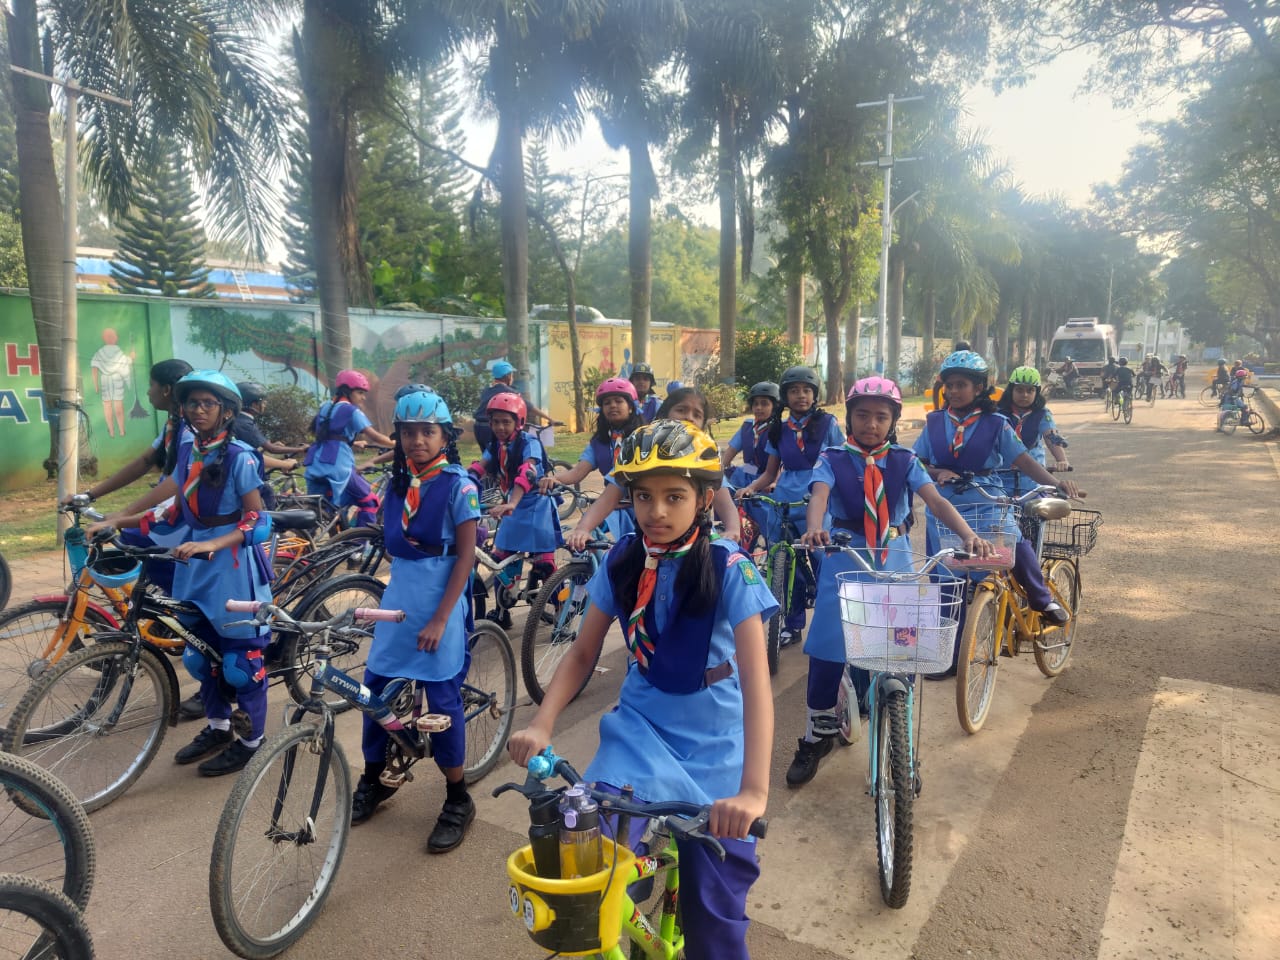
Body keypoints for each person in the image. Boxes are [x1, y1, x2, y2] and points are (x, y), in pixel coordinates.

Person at [507, 419, 776, 960]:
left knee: (715, 916)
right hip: (640, 727)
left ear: (703, 499)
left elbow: (755, 682)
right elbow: (582, 652)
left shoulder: (729, 567)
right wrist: (541, 723)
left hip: (714, 737)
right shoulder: (623, 558)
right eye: (644, 496)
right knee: (588, 866)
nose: (656, 511)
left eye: (674, 496)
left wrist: (753, 791)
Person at [787, 377, 992, 786]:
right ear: (849, 417)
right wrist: (814, 528)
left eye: (881, 416)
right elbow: (820, 496)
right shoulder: (832, 457)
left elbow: (936, 500)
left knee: (903, 647)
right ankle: (816, 734)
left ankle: (903, 743)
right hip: (845, 554)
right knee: (829, 646)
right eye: (862, 415)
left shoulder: (904, 459)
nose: (871, 424)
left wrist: (968, 535)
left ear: (893, 421)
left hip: (895, 555)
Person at [91, 372, 275, 776]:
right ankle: (219, 727)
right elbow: (173, 510)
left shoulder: (241, 456)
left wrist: (213, 544)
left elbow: (258, 521)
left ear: (227, 411)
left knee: (241, 665)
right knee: (199, 656)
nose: (198, 410)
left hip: (232, 569)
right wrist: (119, 522)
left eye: (208, 403)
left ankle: (252, 742)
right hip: (194, 567)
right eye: (192, 403)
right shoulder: (191, 451)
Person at [349, 390, 481, 853]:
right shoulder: (398, 482)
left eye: (428, 431)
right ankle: (374, 777)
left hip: (440, 599)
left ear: (446, 436)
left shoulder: (460, 486)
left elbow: (466, 557)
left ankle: (457, 795)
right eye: (408, 432)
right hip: (400, 597)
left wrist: (442, 619)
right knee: (373, 691)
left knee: (442, 702)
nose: (417, 440)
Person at [912, 351, 1082, 677]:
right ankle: (948, 658)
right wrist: (937, 472)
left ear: (979, 387)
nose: (953, 391)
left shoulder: (996, 424)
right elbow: (916, 462)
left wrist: (1056, 484)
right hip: (944, 510)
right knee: (946, 588)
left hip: (987, 502)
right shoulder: (934, 422)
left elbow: (1024, 460)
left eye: (961, 385)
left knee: (1015, 546)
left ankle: (1041, 598)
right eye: (949, 385)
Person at [735, 366, 843, 647]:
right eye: (794, 391)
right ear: (785, 396)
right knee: (782, 564)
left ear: (815, 395)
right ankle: (791, 625)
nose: (801, 395)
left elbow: (843, 461)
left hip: (818, 500)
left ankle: (830, 620)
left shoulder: (828, 423)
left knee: (823, 561)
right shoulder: (779, 430)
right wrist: (751, 488)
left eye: (807, 390)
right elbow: (770, 473)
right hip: (783, 503)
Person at [470, 392, 563, 614]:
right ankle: (503, 611)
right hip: (513, 505)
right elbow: (479, 467)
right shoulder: (495, 445)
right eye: (495, 422)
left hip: (536, 506)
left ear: (519, 422)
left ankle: (563, 609)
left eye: (506, 422)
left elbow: (528, 472)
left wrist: (511, 503)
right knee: (500, 561)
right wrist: (460, 483)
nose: (500, 427)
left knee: (545, 564)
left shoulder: (530, 443)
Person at [542, 377, 643, 543]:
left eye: (618, 401)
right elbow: (577, 472)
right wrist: (554, 479)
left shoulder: (644, 437)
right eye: (607, 403)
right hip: (611, 507)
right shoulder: (599, 442)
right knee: (588, 537)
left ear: (631, 407)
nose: (612, 406)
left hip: (642, 508)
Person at [303, 369, 395, 528]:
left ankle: (306, 540)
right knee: (370, 502)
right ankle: (359, 542)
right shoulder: (351, 411)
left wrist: (352, 443)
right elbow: (375, 437)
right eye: (360, 392)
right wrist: (396, 444)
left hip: (315, 463)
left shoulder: (326, 407)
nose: (363, 397)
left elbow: (330, 433)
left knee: (320, 509)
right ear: (347, 391)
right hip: (338, 466)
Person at [233, 381, 308, 510]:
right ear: (254, 404)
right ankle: (270, 522)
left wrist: (268, 447)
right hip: (244, 475)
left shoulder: (239, 420)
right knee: (267, 492)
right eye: (263, 401)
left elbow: (255, 448)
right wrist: (300, 449)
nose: (265, 404)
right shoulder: (245, 423)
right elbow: (271, 449)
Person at [722, 382, 780, 539]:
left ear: (775, 406)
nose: (759, 408)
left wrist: (774, 482)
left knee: (768, 524)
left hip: (767, 479)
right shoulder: (747, 427)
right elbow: (730, 452)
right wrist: (719, 470)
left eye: (764, 404)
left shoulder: (779, 429)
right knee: (732, 511)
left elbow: (783, 462)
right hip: (746, 474)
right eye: (755, 404)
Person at [995, 368, 1070, 471]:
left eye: (1030, 391)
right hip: (1001, 473)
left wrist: (1061, 460)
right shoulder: (997, 412)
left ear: (1037, 392)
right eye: (1019, 390)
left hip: (1034, 472)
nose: (1025, 395)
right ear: (1011, 390)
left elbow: (1051, 436)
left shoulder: (1042, 413)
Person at [472, 360, 555, 449]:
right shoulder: (508, 392)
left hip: (478, 427)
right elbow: (529, 406)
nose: (512, 378)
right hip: (493, 427)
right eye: (512, 375)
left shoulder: (486, 390)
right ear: (508, 376)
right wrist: (550, 419)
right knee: (502, 453)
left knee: (488, 454)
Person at [90, 328, 133, 438]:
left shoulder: (101, 352)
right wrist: (131, 358)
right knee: (115, 406)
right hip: (116, 379)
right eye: (109, 336)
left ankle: (114, 431)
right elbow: (126, 361)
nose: (111, 338)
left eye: (112, 336)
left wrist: (96, 385)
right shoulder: (118, 352)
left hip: (105, 380)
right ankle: (120, 430)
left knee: (109, 406)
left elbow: (94, 368)